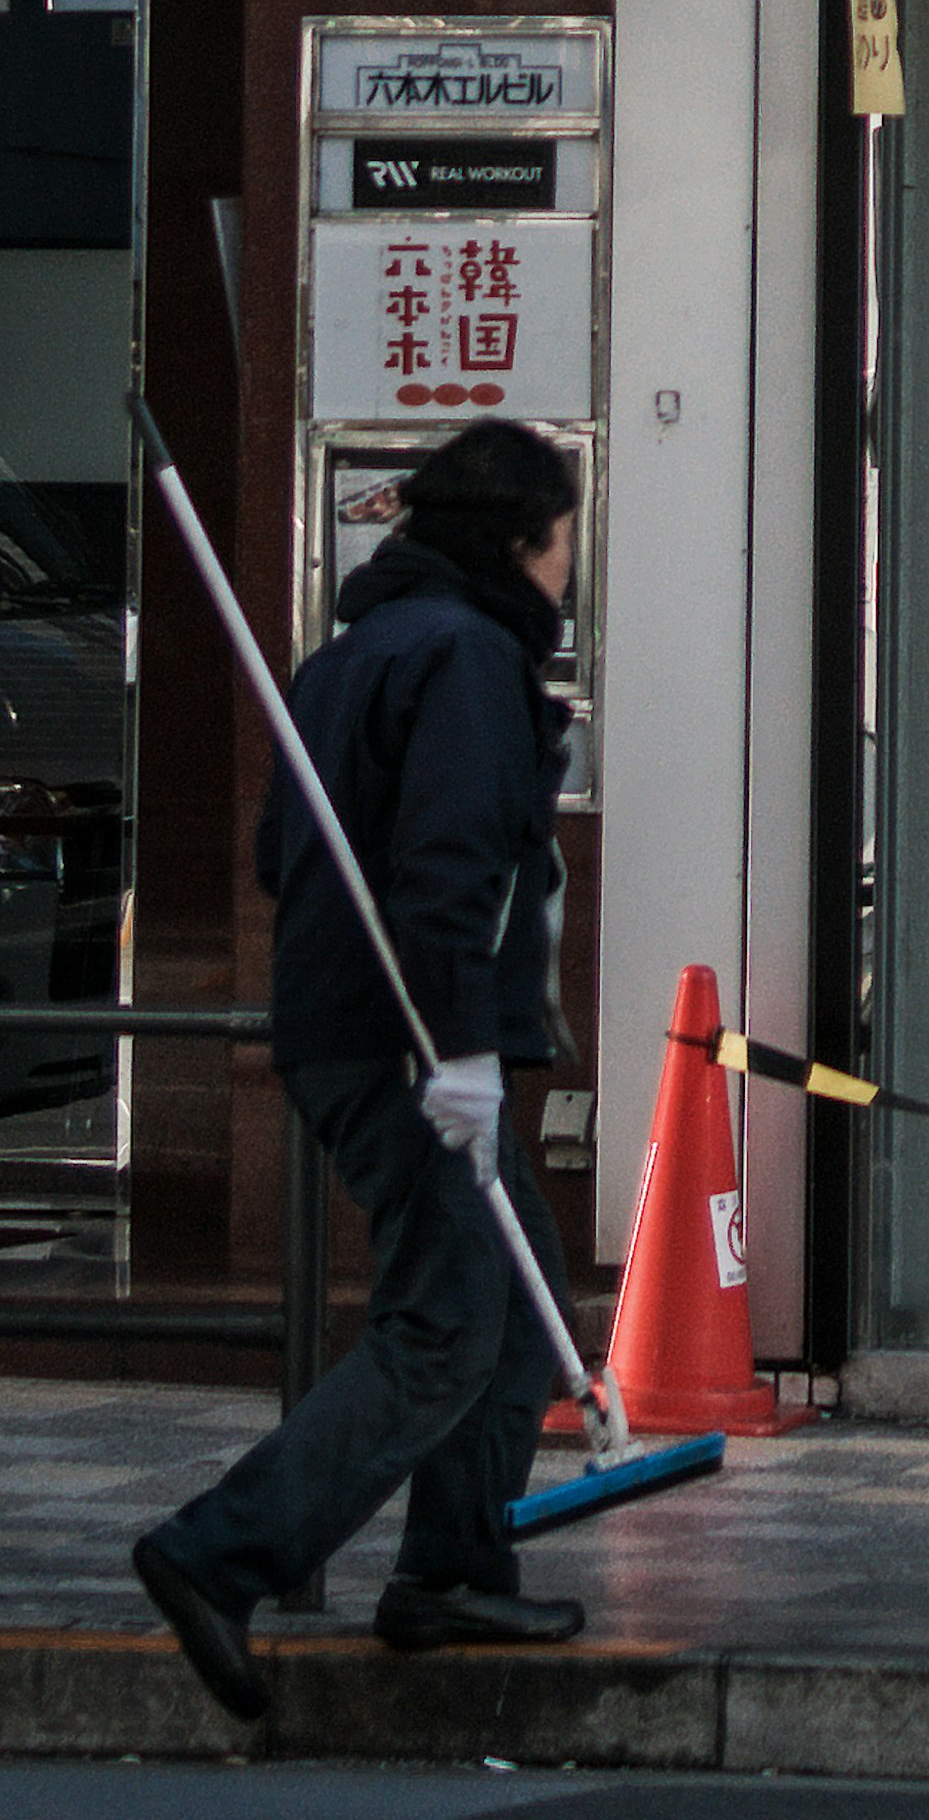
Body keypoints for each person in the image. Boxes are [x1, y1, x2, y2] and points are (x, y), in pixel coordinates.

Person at [133, 419, 588, 1722]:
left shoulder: (347, 659)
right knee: (447, 1322)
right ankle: (221, 1551)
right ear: (521, 541)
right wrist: (460, 1058)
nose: (567, 567)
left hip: (343, 1028)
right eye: (562, 539)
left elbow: (285, 856)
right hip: (411, 1045)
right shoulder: (465, 657)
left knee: (504, 1301)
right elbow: (449, 871)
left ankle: (454, 1570)